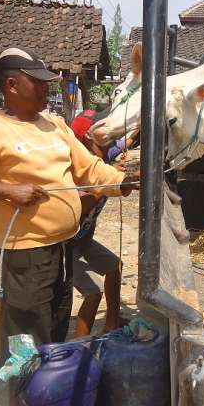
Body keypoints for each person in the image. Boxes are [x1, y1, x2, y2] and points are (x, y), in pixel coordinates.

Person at [0, 47, 138, 366]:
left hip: (64, 245)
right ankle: (26, 399)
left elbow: (89, 169)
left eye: (47, 83)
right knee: (27, 328)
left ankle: (50, 388)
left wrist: (120, 182)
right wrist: (6, 190)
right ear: (12, 85)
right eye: (38, 83)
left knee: (57, 318)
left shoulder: (55, 125)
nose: (47, 89)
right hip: (24, 252)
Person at [68, 110, 136, 337]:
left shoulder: (107, 155)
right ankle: (80, 349)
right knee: (93, 292)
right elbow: (77, 210)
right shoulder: (78, 168)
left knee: (114, 267)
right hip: (64, 244)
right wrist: (109, 182)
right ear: (88, 136)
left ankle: (112, 322)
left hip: (83, 239)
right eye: (101, 126)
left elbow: (130, 138)